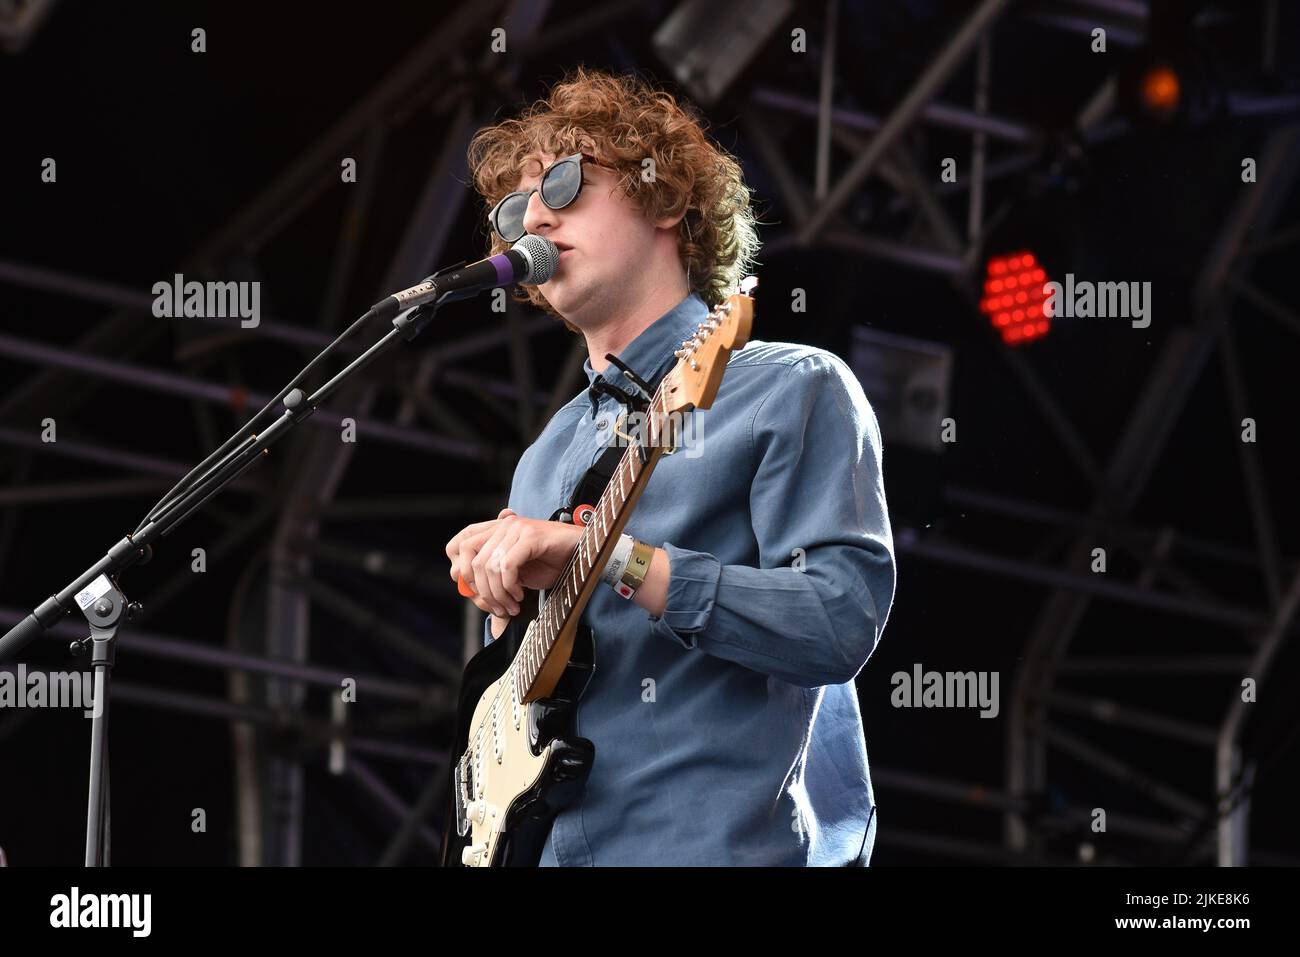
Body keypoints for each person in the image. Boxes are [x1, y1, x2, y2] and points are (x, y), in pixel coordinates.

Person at [445, 66, 896, 866]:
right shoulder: (544, 458)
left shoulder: (788, 388)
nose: (536, 215)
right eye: (515, 209)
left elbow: (838, 619)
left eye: (566, 180)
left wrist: (612, 560)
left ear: (669, 199)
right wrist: (500, 605)